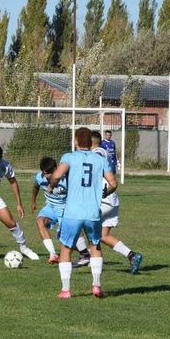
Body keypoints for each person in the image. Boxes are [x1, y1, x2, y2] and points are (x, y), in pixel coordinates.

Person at [47, 127, 116, 299]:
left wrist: (51, 186)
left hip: (73, 212)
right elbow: (113, 183)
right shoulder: (100, 159)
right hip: (93, 212)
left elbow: (56, 175)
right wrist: (105, 193)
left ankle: (66, 290)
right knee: (95, 246)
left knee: (66, 248)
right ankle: (96, 286)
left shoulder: (69, 157)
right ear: (91, 143)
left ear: (76, 141)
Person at [89, 130, 143, 274]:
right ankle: (132, 256)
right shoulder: (102, 152)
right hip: (112, 200)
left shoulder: (96, 153)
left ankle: (87, 257)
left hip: (103, 198)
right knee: (103, 236)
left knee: (84, 224)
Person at [31, 156, 91, 265]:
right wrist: (33, 201)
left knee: (66, 237)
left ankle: (86, 254)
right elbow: (35, 187)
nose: (47, 176)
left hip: (66, 208)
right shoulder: (39, 177)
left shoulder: (67, 179)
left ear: (56, 169)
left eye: (49, 173)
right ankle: (53, 254)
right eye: (44, 173)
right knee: (40, 221)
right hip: (51, 207)